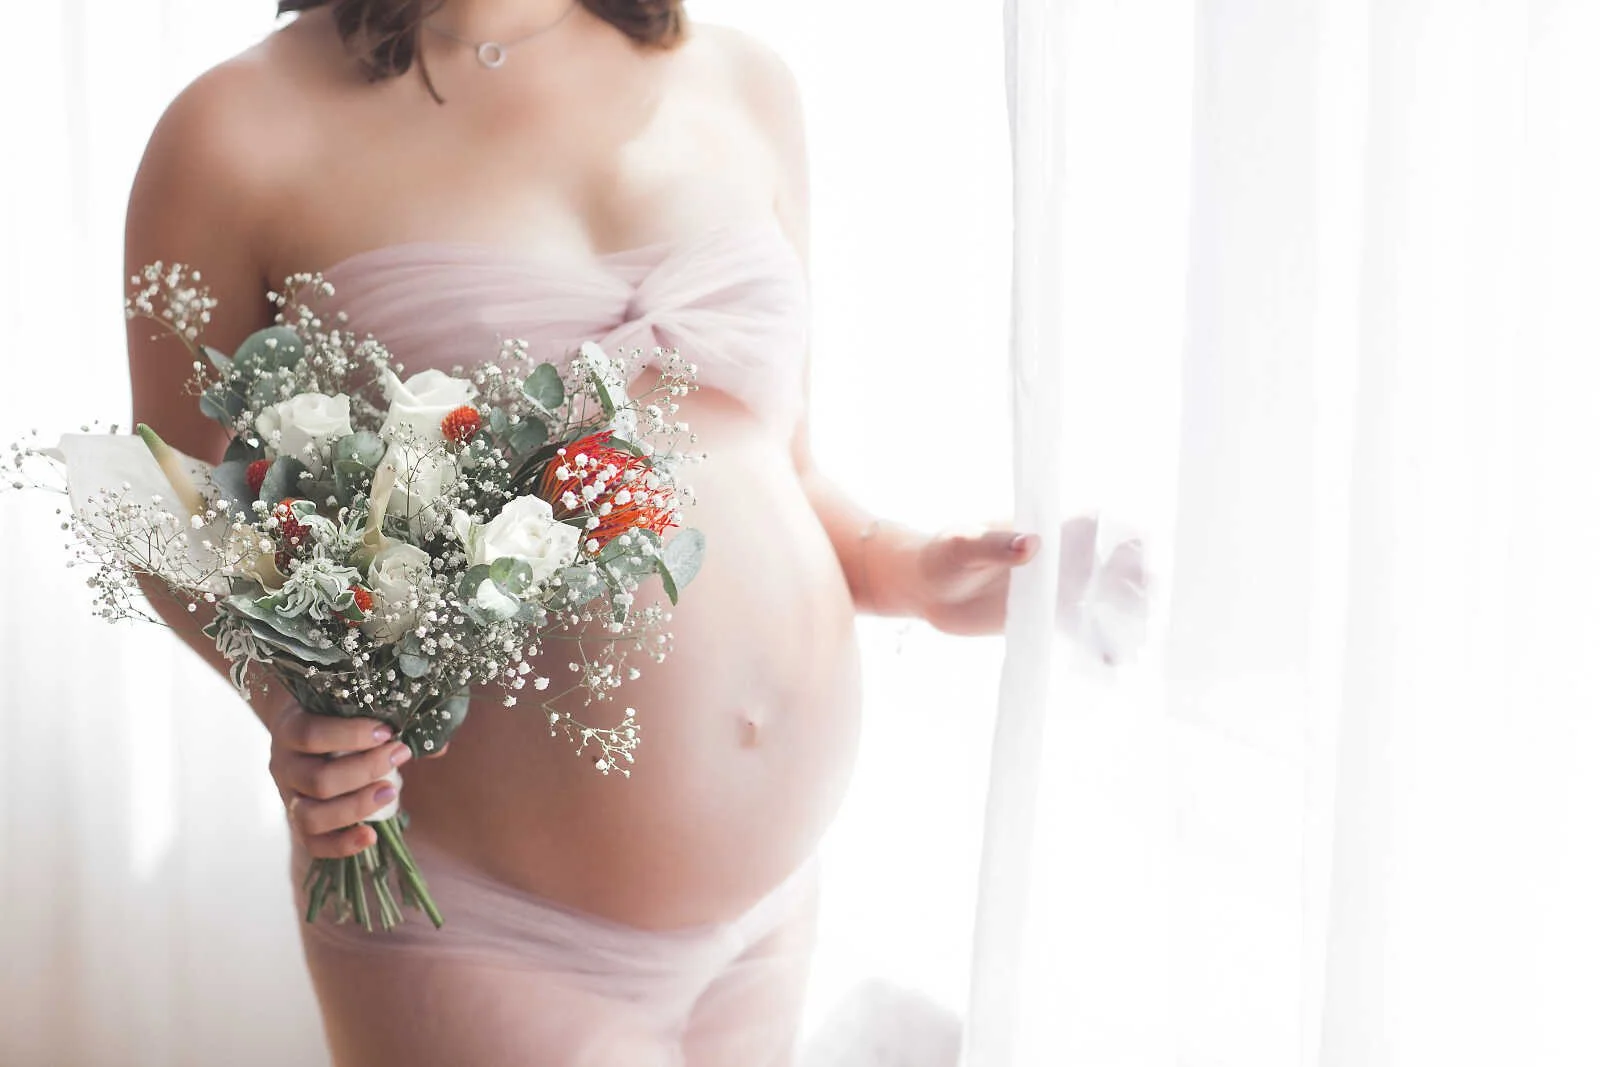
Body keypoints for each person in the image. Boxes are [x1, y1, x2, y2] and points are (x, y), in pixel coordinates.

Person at [125, 2, 1039, 1063]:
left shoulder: (744, 80)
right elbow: (165, 505)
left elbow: (778, 462)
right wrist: (292, 702)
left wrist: (911, 567)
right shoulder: (237, 128)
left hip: (770, 916)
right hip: (484, 928)